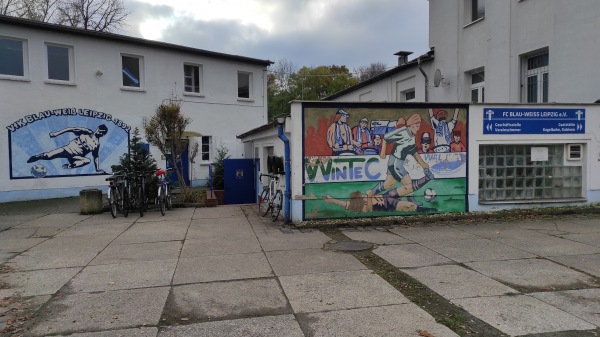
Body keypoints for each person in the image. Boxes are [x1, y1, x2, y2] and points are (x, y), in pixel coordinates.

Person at [371, 114, 434, 205]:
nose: (418, 128)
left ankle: (371, 193)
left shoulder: (412, 135)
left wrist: (423, 165)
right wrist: (383, 153)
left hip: (396, 162)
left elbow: (414, 153)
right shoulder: (403, 132)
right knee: (408, 182)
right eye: (416, 125)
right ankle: (410, 200)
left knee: (389, 183)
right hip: (395, 163)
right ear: (411, 125)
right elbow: (386, 138)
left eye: (419, 125)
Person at [27, 124, 108, 172]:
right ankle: (37, 157)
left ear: (103, 134)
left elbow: (96, 157)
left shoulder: (96, 144)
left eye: (101, 132)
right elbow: (71, 129)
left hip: (75, 157)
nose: (99, 132)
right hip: (66, 150)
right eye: (99, 130)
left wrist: (97, 169)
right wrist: (56, 133)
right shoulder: (86, 132)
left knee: (87, 160)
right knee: (48, 156)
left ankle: (70, 165)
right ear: (97, 128)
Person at [323, 188, 436, 213]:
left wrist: (331, 199)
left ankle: (412, 195)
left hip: (386, 196)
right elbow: (371, 209)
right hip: (388, 205)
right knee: (410, 206)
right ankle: (428, 210)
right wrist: (332, 200)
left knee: (407, 188)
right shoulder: (361, 207)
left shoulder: (361, 198)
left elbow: (344, 203)